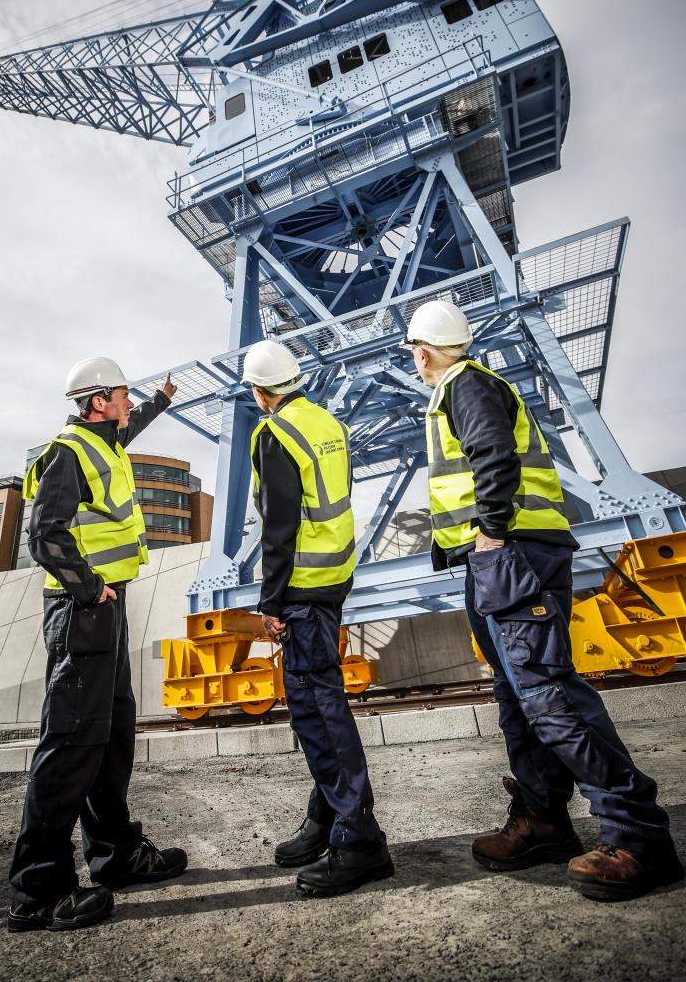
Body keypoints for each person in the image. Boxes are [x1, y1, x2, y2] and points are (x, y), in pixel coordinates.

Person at [404, 299, 684, 901]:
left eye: (414, 352)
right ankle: (544, 821)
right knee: (517, 697)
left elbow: (493, 455)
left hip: (511, 554)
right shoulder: (467, 386)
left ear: (422, 352)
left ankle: (639, 836)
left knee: (547, 694)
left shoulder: (465, 384)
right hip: (499, 558)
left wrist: (490, 532)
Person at [7, 357, 187, 932]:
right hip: (81, 609)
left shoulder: (103, 443)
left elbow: (129, 429)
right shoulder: (67, 453)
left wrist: (160, 401)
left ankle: (116, 857)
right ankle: (38, 892)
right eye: (124, 394)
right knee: (70, 743)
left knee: (110, 734)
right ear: (97, 401)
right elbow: (44, 534)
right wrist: (89, 588)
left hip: (106, 608)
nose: (129, 401)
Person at [241, 339, 394, 898]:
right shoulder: (326, 423)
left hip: (303, 586)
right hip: (334, 575)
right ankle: (327, 817)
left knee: (318, 712)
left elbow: (280, 526)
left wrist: (271, 601)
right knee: (320, 704)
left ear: (260, 392)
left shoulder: (275, 434)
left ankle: (359, 838)